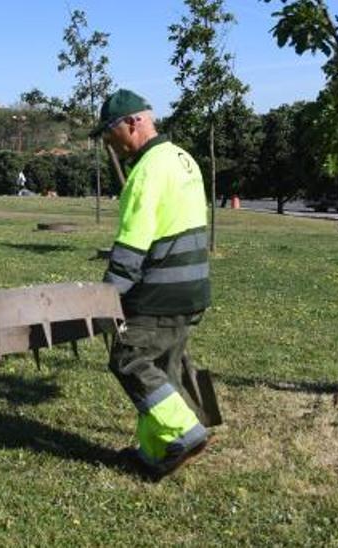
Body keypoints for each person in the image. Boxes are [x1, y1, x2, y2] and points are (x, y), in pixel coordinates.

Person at [91, 89, 212, 480]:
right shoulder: (183, 159)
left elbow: (131, 246)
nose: (111, 144)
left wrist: (105, 300)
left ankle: (186, 431)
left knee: (128, 360)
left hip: (161, 291)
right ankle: (154, 454)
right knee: (164, 367)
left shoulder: (146, 171)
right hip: (193, 286)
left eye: (111, 134)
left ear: (134, 122)